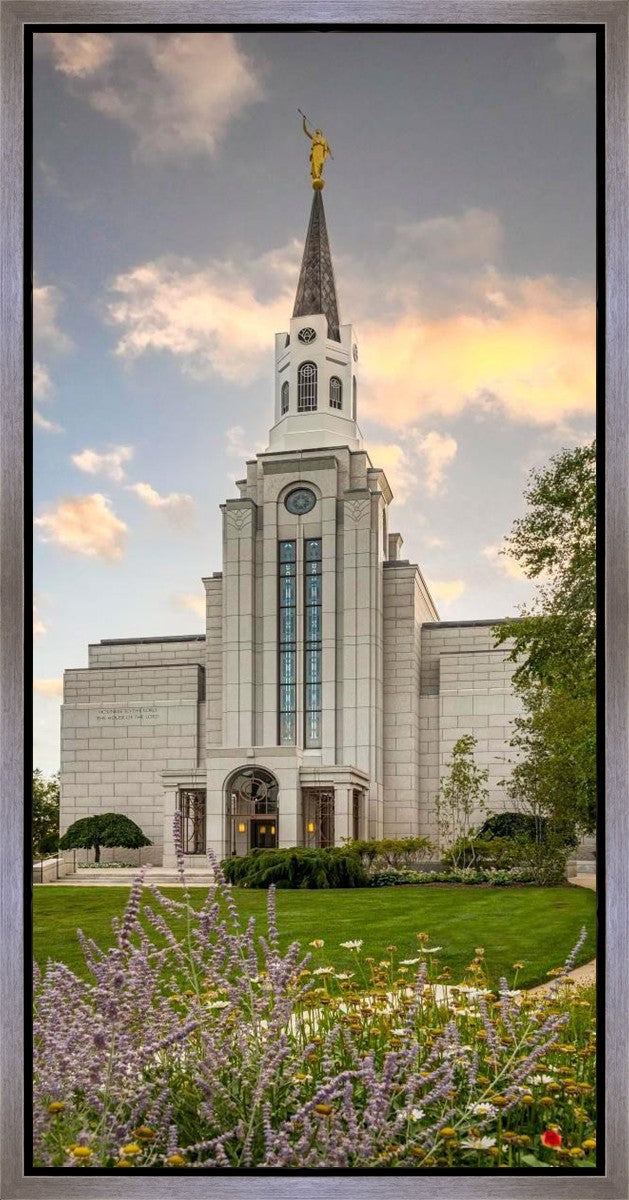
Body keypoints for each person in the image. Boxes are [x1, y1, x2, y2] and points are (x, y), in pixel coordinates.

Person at [302, 115, 333, 184]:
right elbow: (306, 131)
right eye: (316, 131)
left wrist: (331, 155)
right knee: (315, 165)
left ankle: (318, 176)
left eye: (318, 131)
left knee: (321, 164)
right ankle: (317, 176)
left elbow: (328, 148)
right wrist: (304, 121)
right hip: (315, 152)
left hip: (321, 153)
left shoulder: (324, 140)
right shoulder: (314, 138)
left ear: (321, 133)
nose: (317, 131)